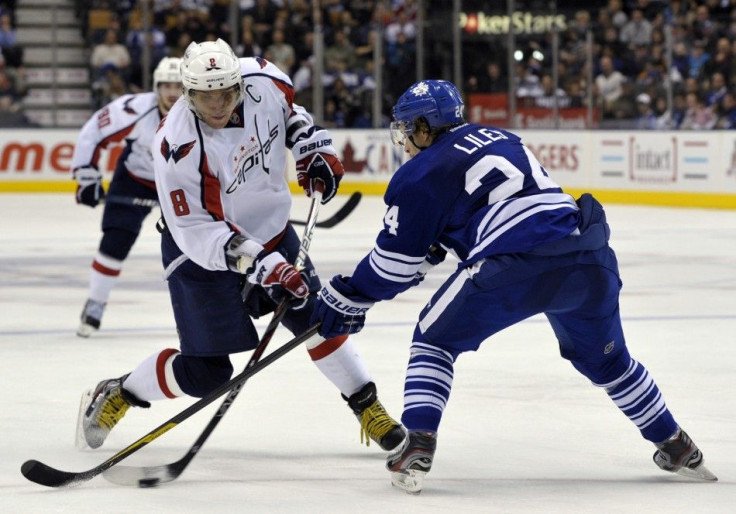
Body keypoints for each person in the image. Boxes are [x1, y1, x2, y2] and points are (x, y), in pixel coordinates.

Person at [310, 80, 718, 494]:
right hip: (588, 256)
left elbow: (393, 266)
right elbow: (498, 204)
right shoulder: (500, 137)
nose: (404, 142)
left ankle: (417, 443)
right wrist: (438, 243)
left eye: (405, 130)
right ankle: (675, 443)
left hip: (513, 264)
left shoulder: (420, 172)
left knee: (433, 340)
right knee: (611, 363)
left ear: (422, 127)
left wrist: (346, 294)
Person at [75, 39, 405, 455]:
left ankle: (367, 406)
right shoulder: (176, 144)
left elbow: (291, 116)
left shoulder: (265, 80)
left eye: (226, 94)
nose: (217, 105)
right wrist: (263, 265)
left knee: (317, 320)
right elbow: (196, 229)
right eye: (204, 96)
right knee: (206, 374)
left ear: (239, 84)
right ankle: (120, 392)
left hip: (270, 231)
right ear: (188, 93)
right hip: (200, 255)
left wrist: (311, 147)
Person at [72, 57, 183, 337]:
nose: (171, 92)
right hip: (134, 179)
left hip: (181, 183)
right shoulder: (134, 109)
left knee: (193, 247)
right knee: (116, 239)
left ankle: (197, 312)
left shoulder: (202, 113)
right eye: (166, 85)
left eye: (178, 85)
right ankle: (95, 304)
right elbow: (94, 132)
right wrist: (87, 177)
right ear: (156, 87)